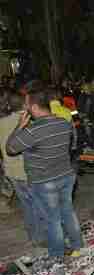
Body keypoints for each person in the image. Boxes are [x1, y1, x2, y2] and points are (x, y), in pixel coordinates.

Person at [6, 82, 82, 259]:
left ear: (33, 106)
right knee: (68, 212)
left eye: (26, 104)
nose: (25, 108)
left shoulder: (33, 130)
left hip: (45, 181)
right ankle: (78, 245)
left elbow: (10, 148)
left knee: (52, 219)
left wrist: (19, 126)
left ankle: (57, 255)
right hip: (66, 175)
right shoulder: (64, 122)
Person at [0, 92, 45, 247]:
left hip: (11, 172)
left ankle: (33, 237)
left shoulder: (2, 121)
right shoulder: (27, 122)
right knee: (38, 205)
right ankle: (41, 238)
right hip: (27, 172)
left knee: (27, 206)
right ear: (25, 105)